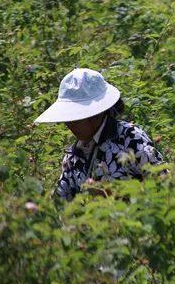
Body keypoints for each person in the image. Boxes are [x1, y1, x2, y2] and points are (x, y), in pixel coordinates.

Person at [35, 68, 164, 200]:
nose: (69, 125)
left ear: (95, 114)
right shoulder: (73, 158)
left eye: (74, 118)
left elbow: (163, 182)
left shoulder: (129, 138)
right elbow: (59, 201)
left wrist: (118, 195)